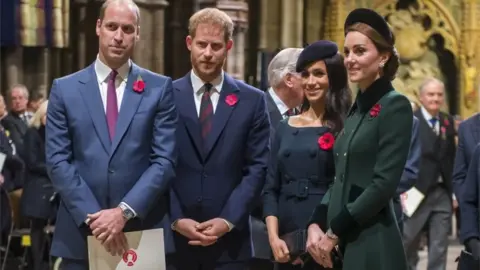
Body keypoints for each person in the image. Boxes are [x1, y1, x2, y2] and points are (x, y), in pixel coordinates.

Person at [45, 0, 178, 269]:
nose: (119, 36)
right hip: (81, 231)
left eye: (127, 29)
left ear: (138, 32)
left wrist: (123, 212)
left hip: (140, 231)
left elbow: (164, 161)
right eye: (112, 27)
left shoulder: (159, 88)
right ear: (98, 27)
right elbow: (58, 161)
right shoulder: (65, 89)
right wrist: (96, 218)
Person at [306, 8, 412, 270]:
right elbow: (340, 176)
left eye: (360, 51)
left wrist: (333, 232)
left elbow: (382, 185)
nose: (350, 59)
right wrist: (315, 223)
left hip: (370, 242)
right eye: (347, 51)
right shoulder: (356, 108)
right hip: (339, 241)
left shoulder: (395, 105)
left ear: (383, 57)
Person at [168, 7, 270, 270]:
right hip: (175, 242)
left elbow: (257, 167)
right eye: (202, 45)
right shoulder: (164, 96)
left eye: (216, 46)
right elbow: (156, 163)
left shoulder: (252, 100)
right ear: (189, 43)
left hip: (231, 245)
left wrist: (227, 220)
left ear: (229, 46)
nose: (208, 53)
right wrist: (177, 219)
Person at [263, 40, 351, 270]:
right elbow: (271, 187)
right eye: (305, 74)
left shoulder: (348, 126)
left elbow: (348, 186)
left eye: (319, 74)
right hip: (286, 239)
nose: (311, 82)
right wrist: (273, 238)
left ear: (333, 77)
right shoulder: (284, 126)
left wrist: (332, 236)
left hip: (327, 234)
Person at [403, 78, 456, 270]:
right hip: (416, 191)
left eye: (439, 94)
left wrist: (455, 192)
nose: (435, 98)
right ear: (422, 97)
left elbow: (452, 158)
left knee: (440, 247)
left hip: (442, 192)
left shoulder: (447, 121)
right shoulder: (411, 121)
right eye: (431, 94)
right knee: (408, 242)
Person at [20, 100, 55, 270]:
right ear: (40, 114)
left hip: (54, 185)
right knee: (38, 226)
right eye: (47, 114)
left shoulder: (56, 135)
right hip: (37, 186)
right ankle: (38, 265)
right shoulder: (32, 134)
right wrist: (55, 169)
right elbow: (32, 162)